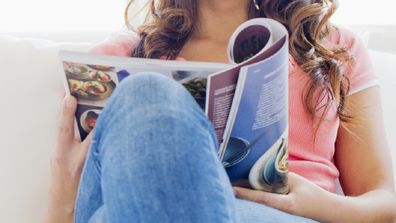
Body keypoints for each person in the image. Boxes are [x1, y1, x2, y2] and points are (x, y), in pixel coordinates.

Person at [45, 0, 396, 222]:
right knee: (146, 91)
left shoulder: (334, 49)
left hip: (281, 214)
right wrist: (62, 188)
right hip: (135, 205)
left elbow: (384, 202)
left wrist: (318, 205)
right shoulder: (111, 60)